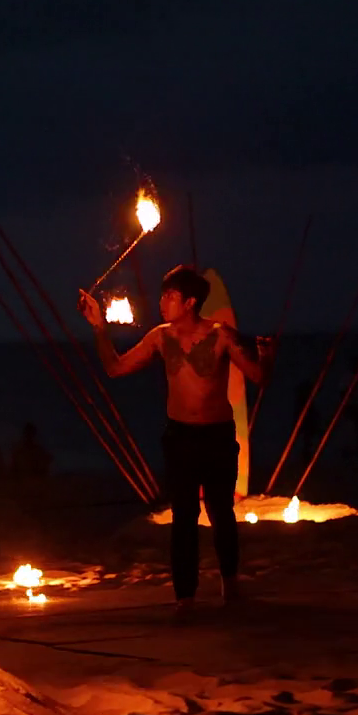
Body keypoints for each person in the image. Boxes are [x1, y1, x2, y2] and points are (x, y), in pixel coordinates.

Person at [80, 266, 273, 621]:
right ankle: (185, 597)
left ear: (189, 302)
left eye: (170, 296)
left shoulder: (220, 335)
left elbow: (259, 378)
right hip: (180, 437)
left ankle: (231, 585)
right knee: (184, 516)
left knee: (221, 513)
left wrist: (266, 356)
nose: (161, 302)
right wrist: (98, 327)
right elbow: (115, 368)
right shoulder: (160, 337)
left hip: (217, 436)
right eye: (163, 295)